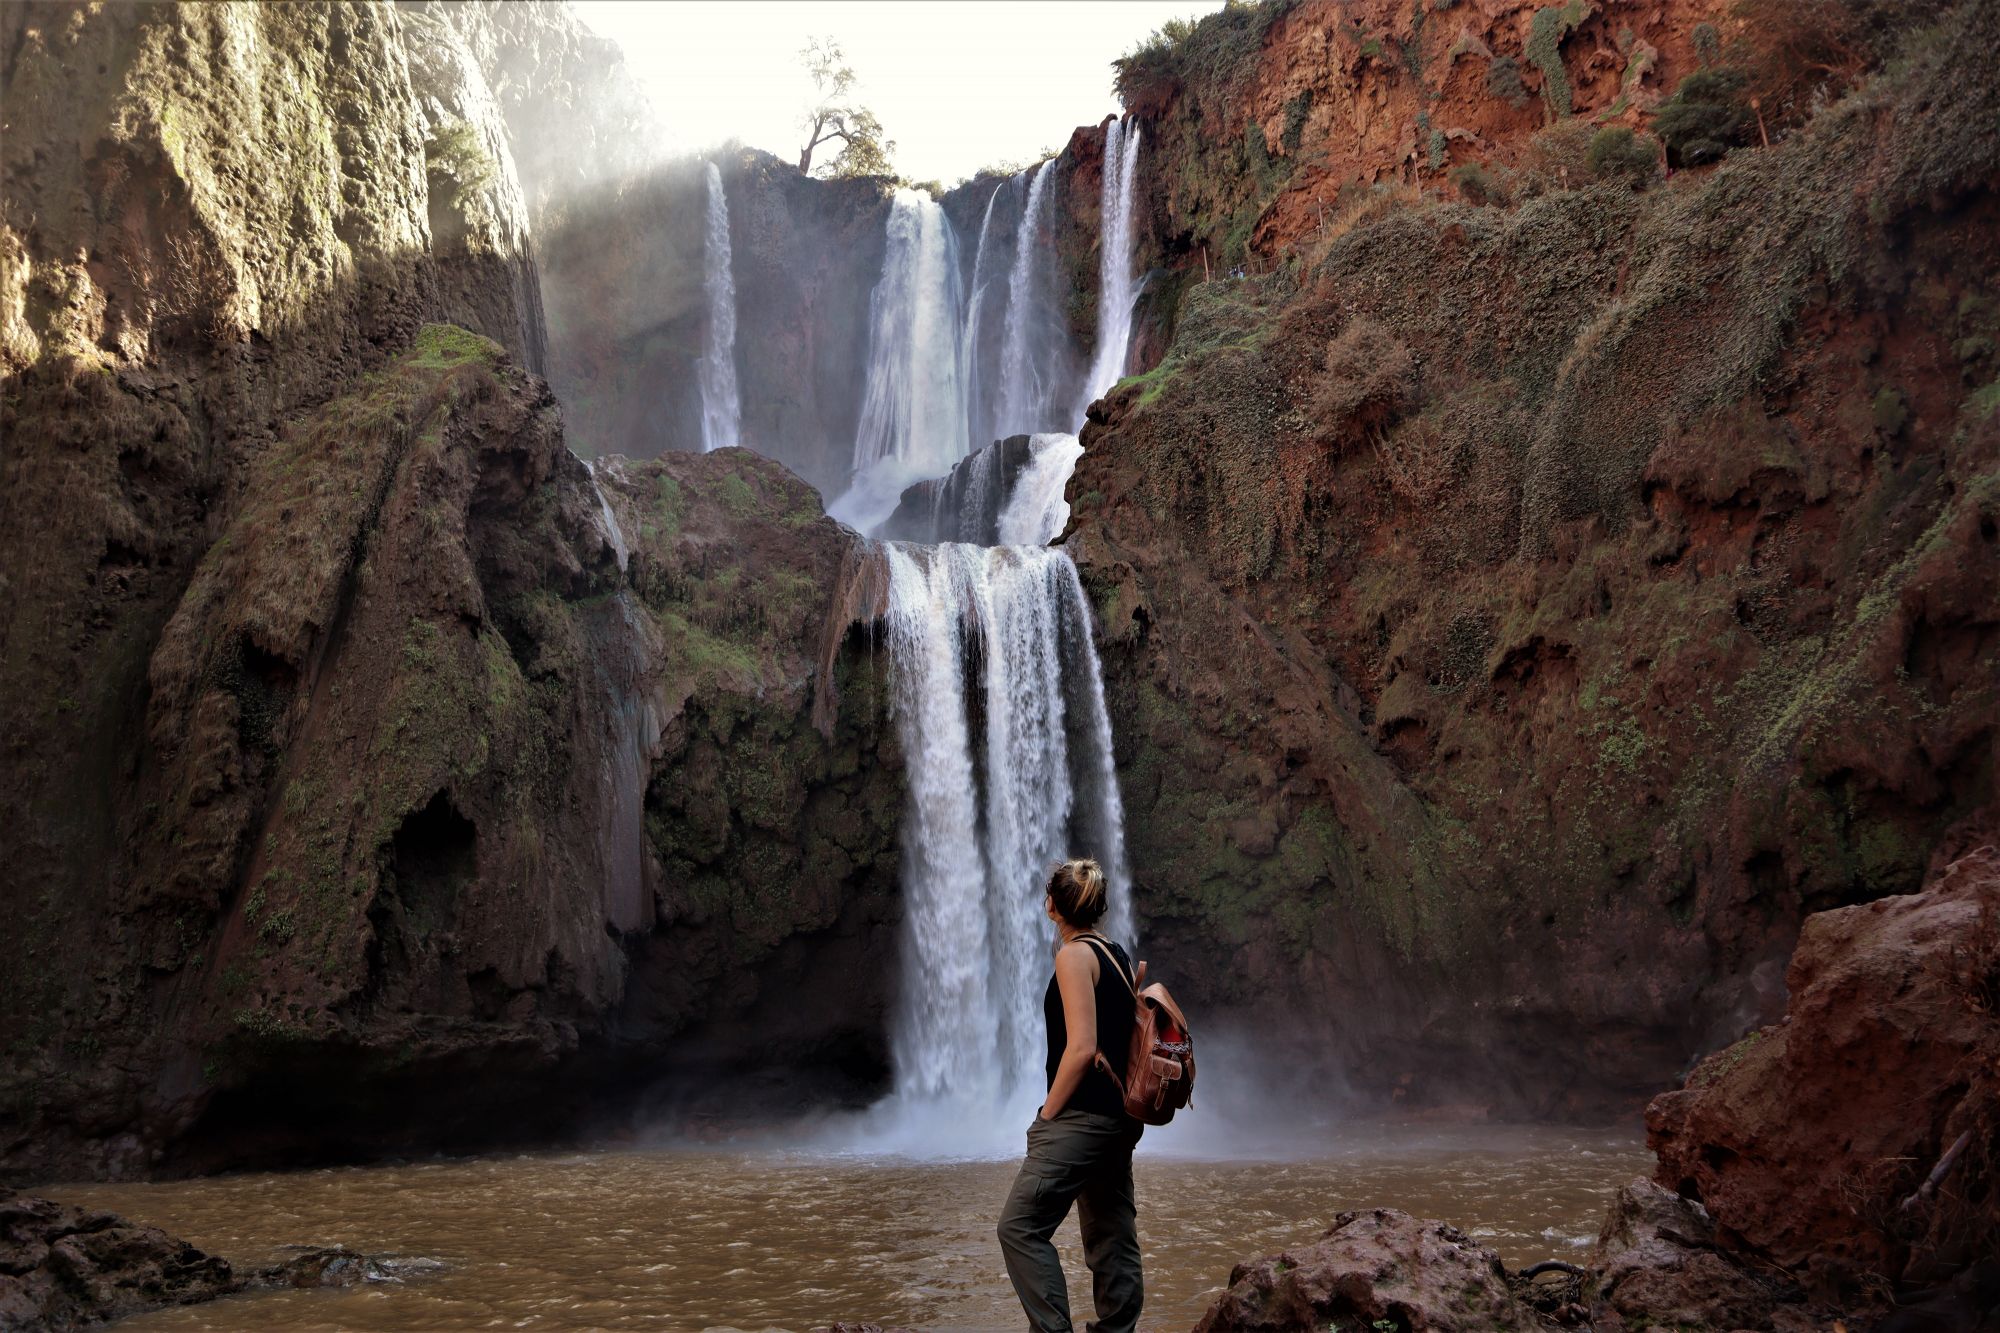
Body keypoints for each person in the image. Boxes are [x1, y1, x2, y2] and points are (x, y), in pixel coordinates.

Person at [997, 858, 1142, 1333]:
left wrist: (1045, 1116)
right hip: (1118, 1119)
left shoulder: (1073, 956)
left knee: (1019, 1227)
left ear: (1053, 907)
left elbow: (1080, 1049)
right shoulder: (1115, 953)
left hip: (1083, 1118)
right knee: (1110, 1232)